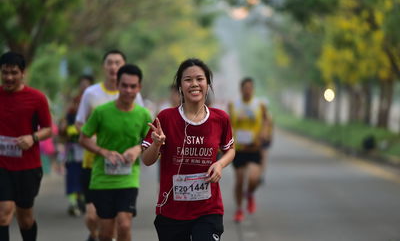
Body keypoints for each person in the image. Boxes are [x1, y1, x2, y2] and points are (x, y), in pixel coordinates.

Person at [142, 58, 235, 241]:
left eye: (200, 79)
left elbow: (230, 149)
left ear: (207, 84)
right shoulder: (166, 118)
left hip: (208, 209)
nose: (194, 84)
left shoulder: (220, 118)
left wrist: (219, 164)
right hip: (172, 210)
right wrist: (156, 144)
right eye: (188, 80)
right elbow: (146, 159)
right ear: (180, 86)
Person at [75, 50, 144, 241]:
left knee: (122, 223)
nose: (114, 67)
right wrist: (98, 142)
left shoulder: (135, 97)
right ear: (103, 67)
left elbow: (144, 129)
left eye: (118, 63)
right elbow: (80, 124)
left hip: (124, 168)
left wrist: (137, 149)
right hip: (94, 162)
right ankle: (94, 234)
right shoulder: (91, 94)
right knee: (92, 217)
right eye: (110, 63)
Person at [0, 52, 52, 241]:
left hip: (27, 167)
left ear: (22, 73)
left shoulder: (36, 98)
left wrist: (32, 137)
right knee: (3, 213)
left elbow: (48, 129)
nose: (9, 77)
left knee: (25, 218)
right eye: (5, 72)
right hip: (2, 165)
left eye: (14, 72)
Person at [228, 77, 271, 223]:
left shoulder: (259, 104)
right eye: (245, 88)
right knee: (239, 180)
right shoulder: (234, 104)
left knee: (253, 179)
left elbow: (266, 120)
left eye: (250, 88)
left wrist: (264, 132)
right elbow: (228, 122)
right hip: (239, 148)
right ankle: (239, 209)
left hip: (254, 147)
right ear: (241, 89)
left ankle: (250, 193)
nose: (248, 90)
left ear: (253, 89)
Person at [59, 75, 94, 217]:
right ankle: (73, 203)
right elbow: (63, 126)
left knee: (87, 176)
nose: (84, 87)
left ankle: (86, 201)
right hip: (74, 148)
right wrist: (67, 129)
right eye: (82, 84)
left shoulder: (96, 105)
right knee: (73, 175)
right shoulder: (72, 105)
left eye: (87, 84)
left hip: (91, 148)